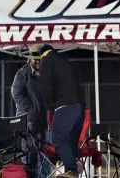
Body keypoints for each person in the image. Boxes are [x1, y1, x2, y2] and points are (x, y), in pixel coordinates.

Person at [38, 44, 85, 178]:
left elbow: (46, 86)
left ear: (42, 54)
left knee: (57, 139)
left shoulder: (46, 60)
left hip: (64, 107)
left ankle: (71, 169)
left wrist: (49, 102)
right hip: (79, 108)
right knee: (70, 141)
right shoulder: (66, 62)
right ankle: (74, 166)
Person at [11, 45, 50, 177]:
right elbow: (17, 94)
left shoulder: (47, 73)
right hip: (28, 120)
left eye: (40, 59)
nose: (38, 62)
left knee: (45, 152)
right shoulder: (22, 74)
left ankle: (45, 176)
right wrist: (31, 110)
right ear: (29, 59)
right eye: (35, 60)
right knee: (29, 153)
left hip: (44, 120)